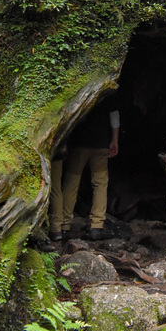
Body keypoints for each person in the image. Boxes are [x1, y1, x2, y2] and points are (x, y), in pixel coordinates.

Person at [49, 95, 120, 241]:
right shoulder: (109, 94)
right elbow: (114, 116)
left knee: (71, 183)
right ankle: (97, 225)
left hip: (78, 144)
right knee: (100, 183)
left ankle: (64, 225)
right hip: (101, 144)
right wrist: (115, 140)